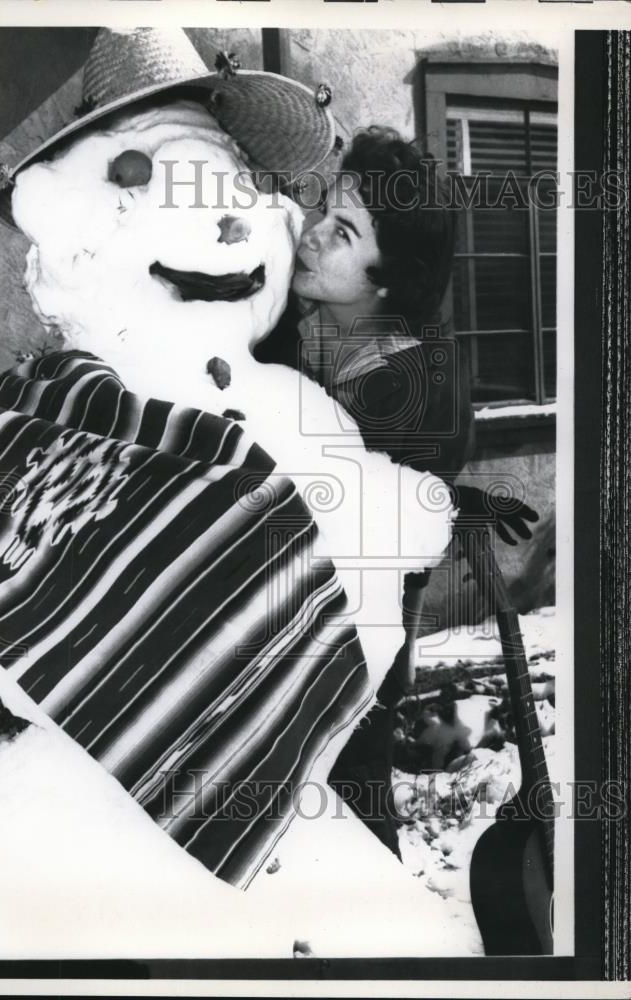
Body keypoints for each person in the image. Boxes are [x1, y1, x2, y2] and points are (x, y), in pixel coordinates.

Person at [254, 126, 537, 857]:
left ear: (385, 278)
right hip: (326, 648)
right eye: (324, 209)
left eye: (342, 232)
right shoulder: (368, 345)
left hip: (352, 663)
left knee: (351, 836)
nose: (314, 234)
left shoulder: (415, 389)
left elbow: (312, 495)